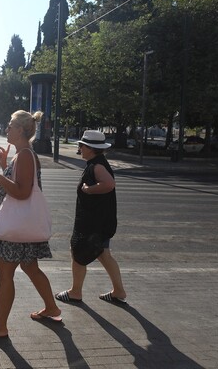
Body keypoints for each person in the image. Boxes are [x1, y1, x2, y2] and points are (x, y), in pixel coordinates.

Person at [0, 110, 61, 339]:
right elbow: (19, 183)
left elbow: (22, 191)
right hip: (23, 226)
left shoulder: (26, 155)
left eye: (10, 126)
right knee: (30, 267)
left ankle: (0, 326)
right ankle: (52, 308)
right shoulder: (23, 155)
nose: (6, 129)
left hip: (17, 229)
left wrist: (0, 178)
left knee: (4, 271)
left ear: (20, 130)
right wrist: (5, 167)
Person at [55, 130, 127, 305]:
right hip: (100, 221)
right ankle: (118, 291)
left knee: (78, 251)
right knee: (103, 254)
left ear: (90, 148)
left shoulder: (97, 166)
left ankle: (75, 292)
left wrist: (88, 189)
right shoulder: (97, 163)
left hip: (92, 223)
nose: (79, 148)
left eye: (82, 146)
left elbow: (109, 184)